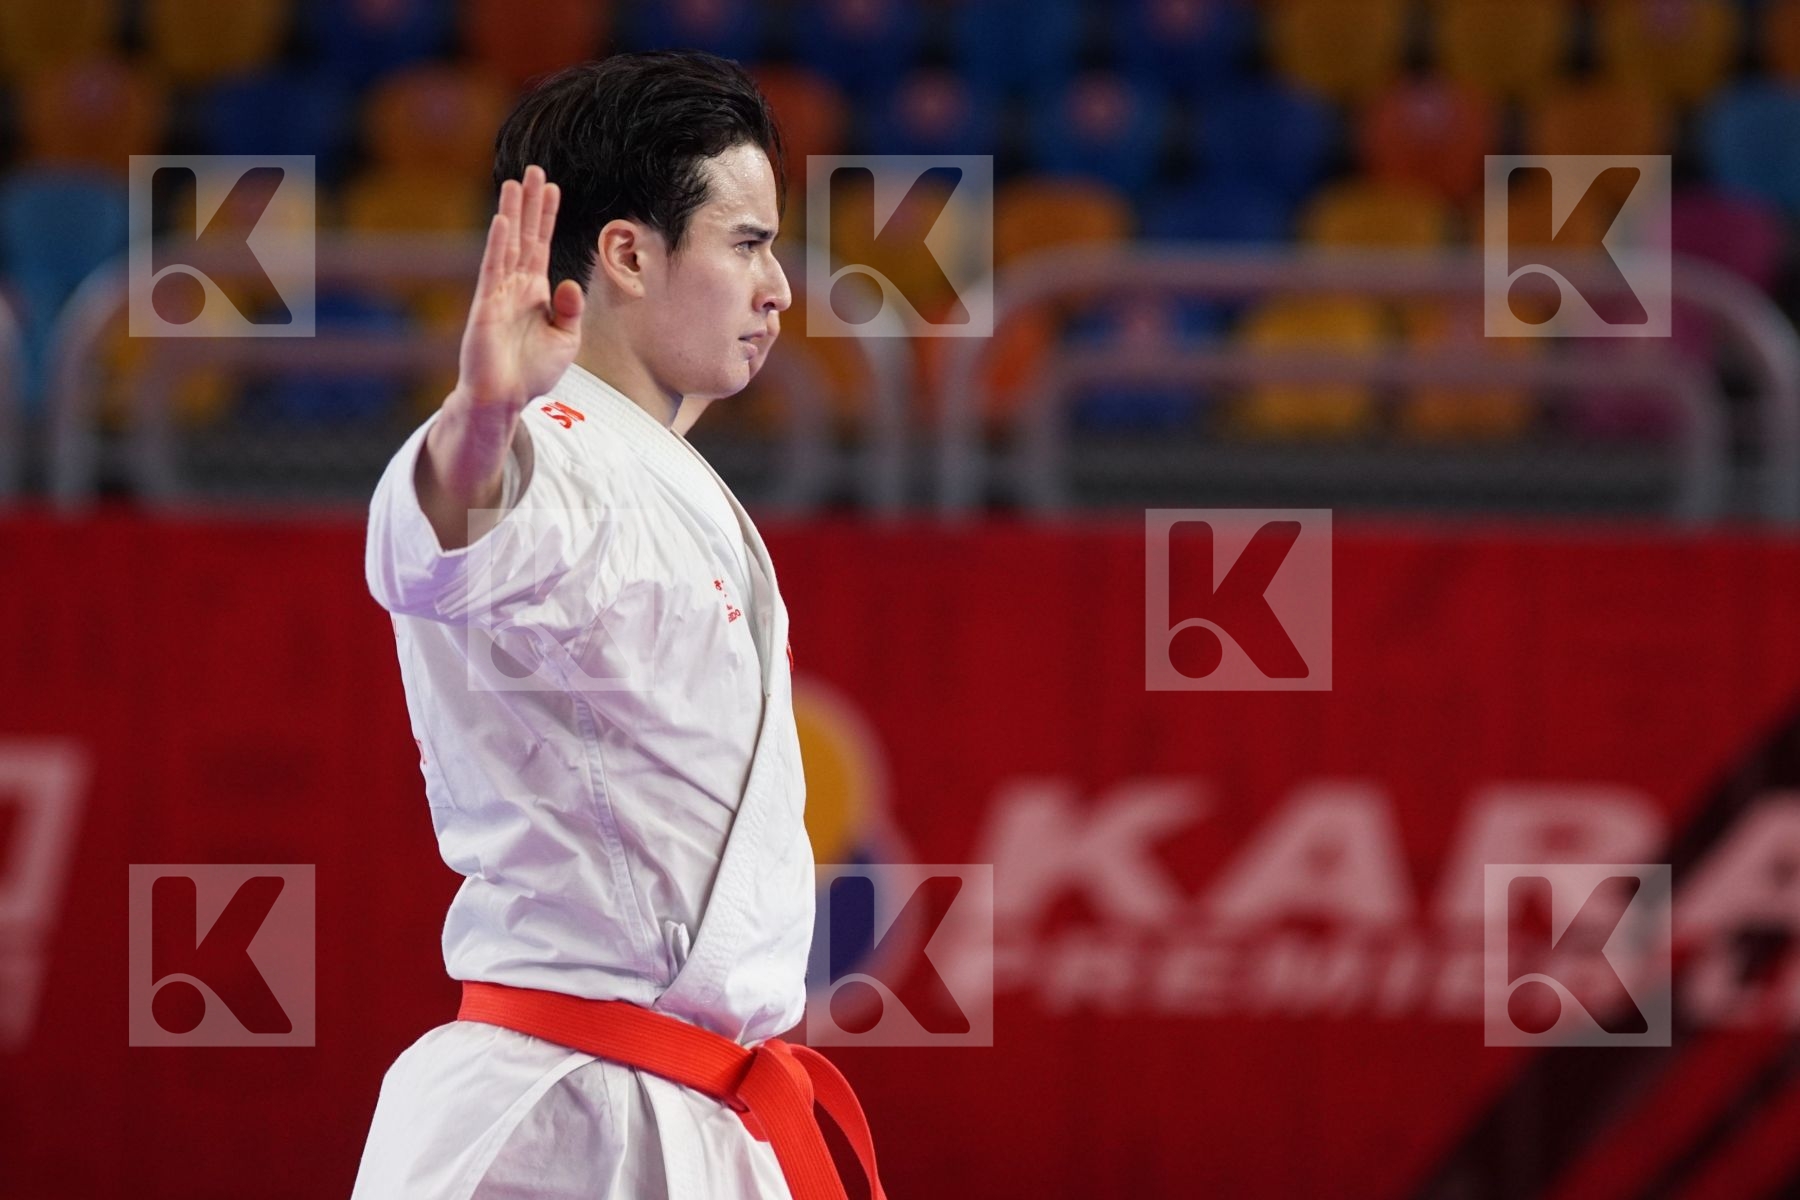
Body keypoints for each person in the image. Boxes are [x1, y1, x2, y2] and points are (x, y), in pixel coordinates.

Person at [350, 51, 882, 1200]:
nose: (780, 288)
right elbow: (440, 538)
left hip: (686, 1108)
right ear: (630, 254)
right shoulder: (554, 451)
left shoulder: (654, 472)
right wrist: (480, 417)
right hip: (564, 1126)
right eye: (747, 245)